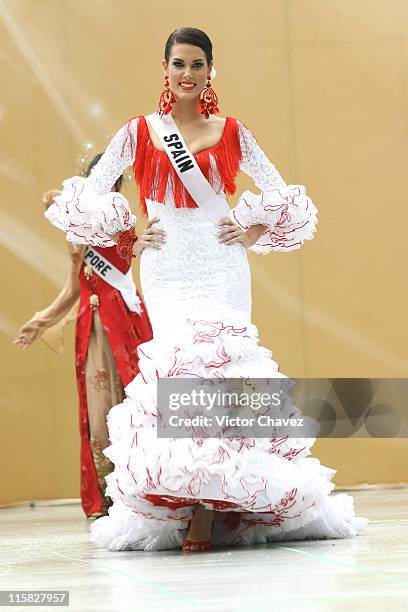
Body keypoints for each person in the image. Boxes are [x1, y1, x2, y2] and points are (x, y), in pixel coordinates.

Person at [44, 27, 368, 551]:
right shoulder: (138, 131)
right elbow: (91, 189)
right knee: (181, 373)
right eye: (179, 64)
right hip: (168, 265)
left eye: (197, 64)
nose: (188, 74)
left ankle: (231, 502)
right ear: (165, 69)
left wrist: (254, 230)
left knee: (227, 373)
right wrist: (130, 234)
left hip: (222, 265)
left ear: (210, 70)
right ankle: (193, 503)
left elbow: (283, 192)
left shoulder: (234, 130)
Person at [14, 155, 153, 519]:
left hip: (124, 320)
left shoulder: (122, 220)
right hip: (92, 324)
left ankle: (144, 487)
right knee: (98, 406)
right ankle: (108, 494)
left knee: (136, 400)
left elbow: (52, 199)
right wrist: (43, 320)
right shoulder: (77, 229)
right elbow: (76, 284)